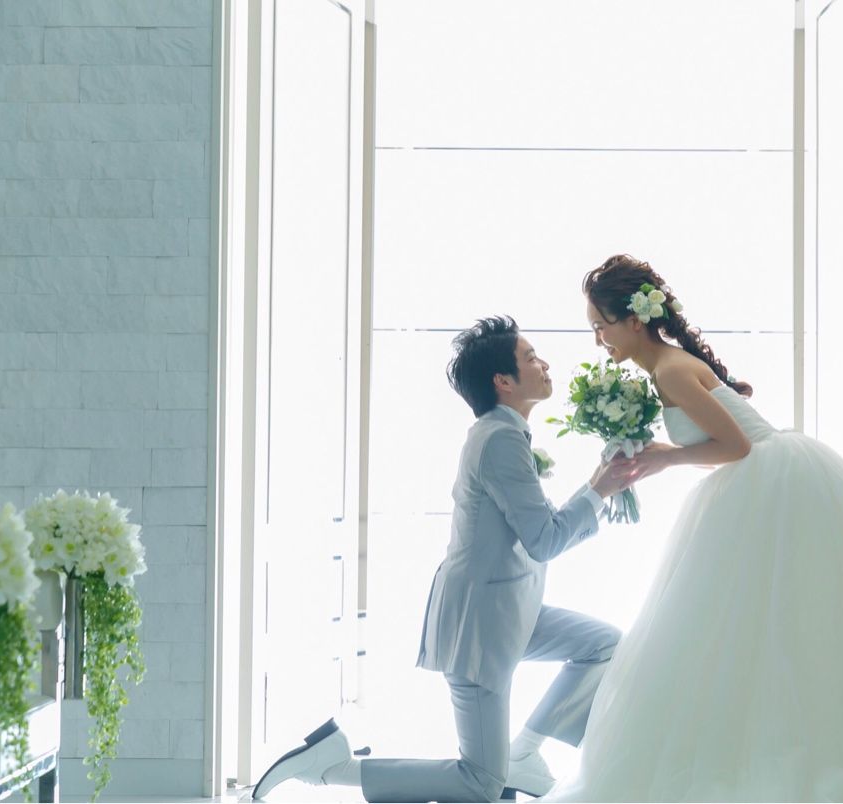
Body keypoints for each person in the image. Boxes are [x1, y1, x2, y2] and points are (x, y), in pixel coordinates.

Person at [542, 255, 843, 802]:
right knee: (773, 627)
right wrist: (660, 454)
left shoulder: (669, 370)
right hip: (766, 481)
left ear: (633, 320)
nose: (598, 339)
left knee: (773, 625)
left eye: (600, 325)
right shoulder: (664, 368)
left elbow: (737, 446)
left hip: (772, 484)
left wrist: (666, 458)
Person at [252, 316, 637, 802]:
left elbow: (540, 529)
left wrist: (599, 482)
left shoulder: (502, 433)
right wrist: (600, 490)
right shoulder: (499, 439)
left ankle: (523, 752)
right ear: (503, 381)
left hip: (511, 613)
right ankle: (335, 768)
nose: (544, 364)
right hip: (481, 628)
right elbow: (543, 540)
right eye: (530, 358)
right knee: (482, 783)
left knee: (604, 645)